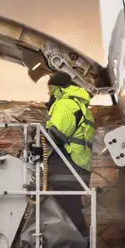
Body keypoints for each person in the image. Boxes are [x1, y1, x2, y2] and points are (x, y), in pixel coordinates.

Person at [45, 71, 95, 238]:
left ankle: (79, 243)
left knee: (65, 208)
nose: (48, 94)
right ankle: (81, 241)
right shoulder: (79, 104)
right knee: (70, 206)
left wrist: (38, 142)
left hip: (68, 165)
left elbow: (57, 135)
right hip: (78, 165)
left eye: (50, 89)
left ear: (58, 89)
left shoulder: (65, 104)